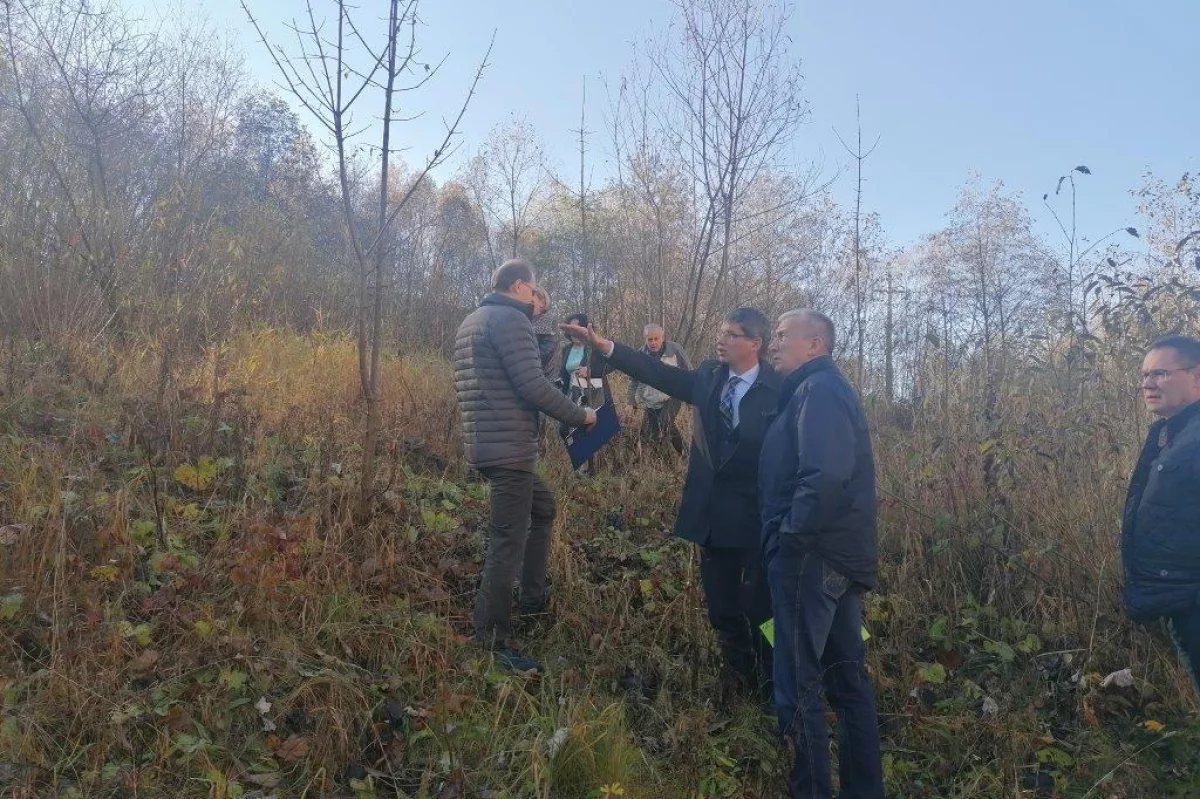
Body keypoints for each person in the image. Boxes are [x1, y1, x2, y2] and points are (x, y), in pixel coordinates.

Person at [562, 309, 779, 701]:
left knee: (764, 609)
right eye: (720, 330)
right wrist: (602, 345)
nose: (721, 338)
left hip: (760, 519)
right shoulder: (710, 377)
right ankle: (740, 676)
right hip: (714, 515)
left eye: (732, 334)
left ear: (756, 344)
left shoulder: (780, 387)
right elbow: (654, 373)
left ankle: (774, 682)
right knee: (722, 606)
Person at [759, 309, 883, 799]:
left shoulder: (820, 391)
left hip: (811, 559)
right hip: (834, 560)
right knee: (846, 682)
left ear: (815, 346)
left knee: (798, 685)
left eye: (783, 337)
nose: (774, 345)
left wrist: (790, 537)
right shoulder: (813, 391)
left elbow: (824, 475)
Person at [453, 259, 596, 673]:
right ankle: (492, 640)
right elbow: (532, 386)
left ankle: (532, 598)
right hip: (509, 449)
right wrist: (581, 416)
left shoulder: (474, 319)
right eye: (534, 290)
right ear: (518, 286)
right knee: (506, 542)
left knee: (543, 508)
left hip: (486, 443)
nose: (537, 298)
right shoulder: (511, 321)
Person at [1121, 334, 1200, 691]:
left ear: (1196, 375)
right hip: (1183, 598)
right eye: (1144, 376)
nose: (1148, 384)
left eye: (1162, 374)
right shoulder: (1175, 433)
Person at [628, 324, 692, 453]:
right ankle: (682, 454)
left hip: (673, 395)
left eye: (656, 339)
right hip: (651, 398)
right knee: (651, 432)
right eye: (650, 339)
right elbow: (633, 380)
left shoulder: (675, 349)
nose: (653, 343)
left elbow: (689, 371)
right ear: (645, 339)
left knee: (665, 422)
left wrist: (691, 398)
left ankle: (679, 456)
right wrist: (630, 402)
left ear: (663, 338)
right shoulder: (640, 355)